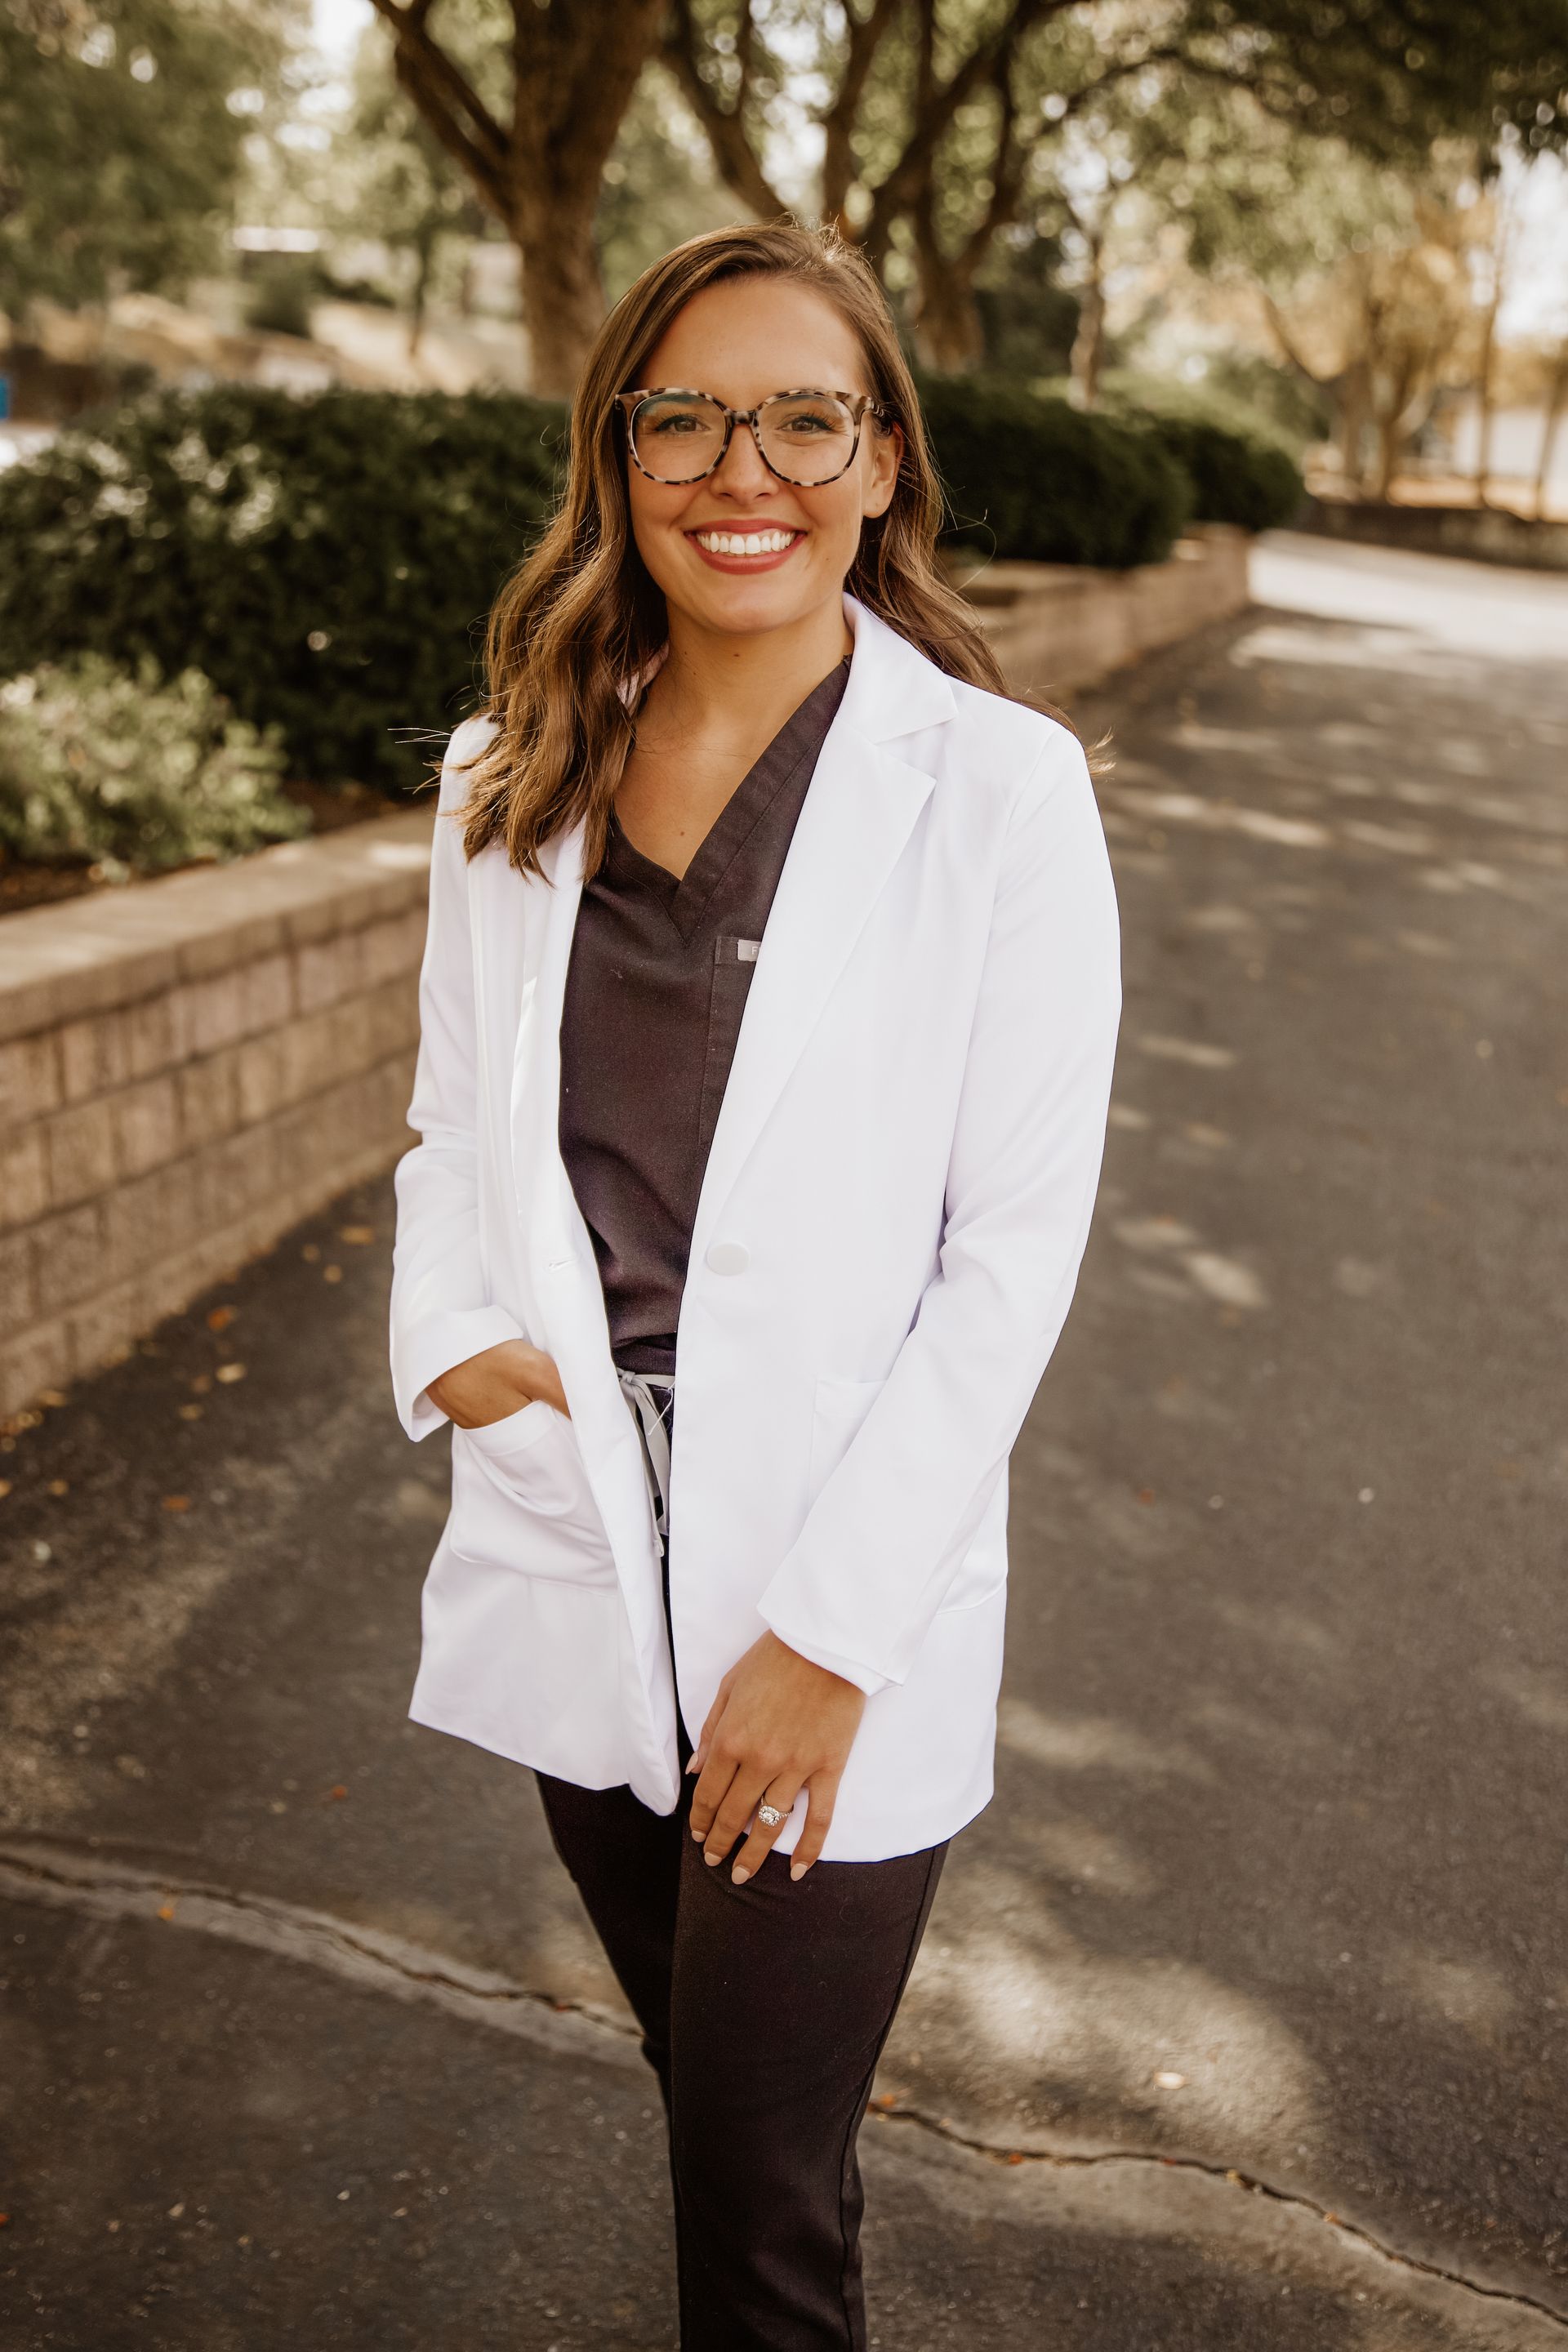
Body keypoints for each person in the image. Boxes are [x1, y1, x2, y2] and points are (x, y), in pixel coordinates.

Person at [388, 219, 1122, 2350]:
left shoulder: (996, 792)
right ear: (621, 457)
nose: (748, 469)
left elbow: (1011, 1258)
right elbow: (449, 1130)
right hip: (580, 1536)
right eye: (688, 417)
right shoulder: (506, 769)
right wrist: (471, 1372)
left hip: (837, 1594)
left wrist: (821, 1637)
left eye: (808, 417)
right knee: (705, 2096)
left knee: (759, 2197)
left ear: (883, 461)